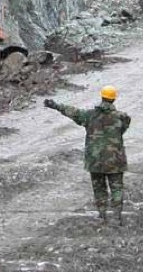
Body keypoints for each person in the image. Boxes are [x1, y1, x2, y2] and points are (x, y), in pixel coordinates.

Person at [44, 86, 132, 225]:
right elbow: (123, 129)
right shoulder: (122, 117)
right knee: (117, 187)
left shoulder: (90, 116)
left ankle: (102, 215)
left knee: (99, 188)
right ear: (114, 98)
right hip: (115, 160)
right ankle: (117, 216)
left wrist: (55, 106)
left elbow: (72, 112)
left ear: (102, 97)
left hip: (94, 160)